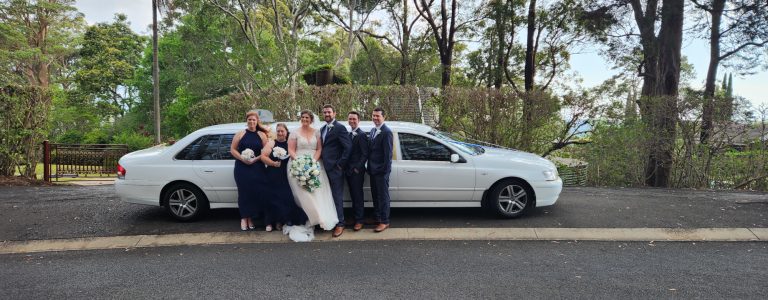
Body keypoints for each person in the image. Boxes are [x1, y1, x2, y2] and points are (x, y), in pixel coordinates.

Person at [285, 110, 339, 241]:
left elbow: (320, 148)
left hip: (315, 165)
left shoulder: (317, 132)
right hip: (297, 165)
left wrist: (313, 162)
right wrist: (299, 162)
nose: (304, 119)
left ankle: (320, 219)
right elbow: (291, 149)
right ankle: (311, 218)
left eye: (307, 117)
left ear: (311, 119)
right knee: (304, 195)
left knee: (318, 192)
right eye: (303, 117)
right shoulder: (294, 132)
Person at [261, 123, 307, 231]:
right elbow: (263, 157)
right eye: (278, 131)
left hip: (287, 174)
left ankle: (286, 219)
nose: (280, 133)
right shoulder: (272, 142)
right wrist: (273, 163)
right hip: (273, 174)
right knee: (274, 198)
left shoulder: (290, 143)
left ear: (286, 132)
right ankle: (276, 221)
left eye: (282, 131)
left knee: (287, 198)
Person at [230, 110, 269, 231]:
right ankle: (244, 218)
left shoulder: (262, 135)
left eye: (254, 120)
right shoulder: (240, 134)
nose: (251, 121)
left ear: (257, 121)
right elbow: (232, 149)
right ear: (246, 121)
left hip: (257, 167)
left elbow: (266, 152)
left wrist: (255, 159)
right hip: (242, 168)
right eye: (249, 120)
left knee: (255, 193)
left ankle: (251, 218)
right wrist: (242, 158)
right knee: (243, 193)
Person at [319, 104, 352, 237]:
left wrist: (340, 165)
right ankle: (329, 221)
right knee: (325, 196)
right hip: (322, 169)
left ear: (334, 113)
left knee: (337, 197)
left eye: (329, 112)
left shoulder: (340, 128)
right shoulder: (322, 129)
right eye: (325, 112)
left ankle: (340, 223)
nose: (327, 114)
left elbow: (347, 148)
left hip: (335, 169)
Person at [368, 107, 393, 232]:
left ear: (384, 117)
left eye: (377, 116)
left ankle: (384, 221)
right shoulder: (373, 130)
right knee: (375, 195)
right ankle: (377, 217)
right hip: (372, 170)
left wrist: (384, 171)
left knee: (383, 196)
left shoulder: (386, 132)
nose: (375, 118)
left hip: (381, 172)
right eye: (373, 115)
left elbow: (388, 155)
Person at [345, 111, 369, 231]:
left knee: (358, 196)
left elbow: (365, 154)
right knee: (352, 195)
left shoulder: (362, 135)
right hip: (348, 170)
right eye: (350, 119)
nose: (352, 121)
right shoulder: (349, 134)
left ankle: (360, 220)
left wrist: (356, 168)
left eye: (354, 119)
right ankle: (355, 217)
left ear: (358, 120)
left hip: (356, 172)